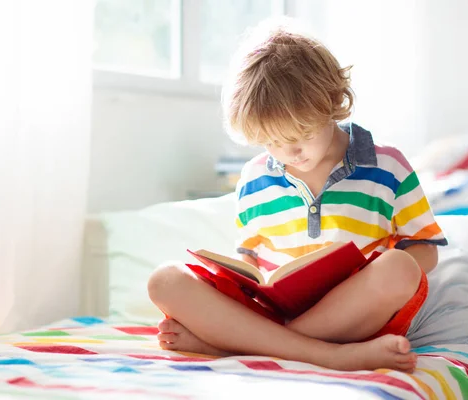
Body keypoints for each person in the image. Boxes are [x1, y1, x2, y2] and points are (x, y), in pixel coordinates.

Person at [147, 18, 447, 372]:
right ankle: (318, 354)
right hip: (276, 311)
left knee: (400, 268)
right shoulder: (254, 176)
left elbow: (424, 251)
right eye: (272, 142)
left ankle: (240, 345)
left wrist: (367, 271)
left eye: (300, 135)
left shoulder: (388, 165)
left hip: (357, 317)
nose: (289, 153)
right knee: (164, 280)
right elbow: (250, 260)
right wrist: (242, 278)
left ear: (333, 101)